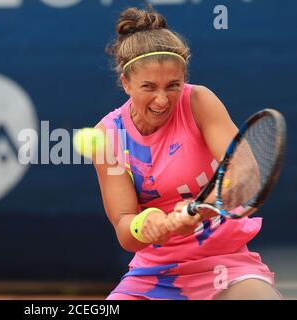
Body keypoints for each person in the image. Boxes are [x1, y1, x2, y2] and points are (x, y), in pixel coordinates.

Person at [93, 6, 282, 300]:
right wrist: (147, 225)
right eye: (149, 87)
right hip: (153, 275)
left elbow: (245, 175)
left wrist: (200, 207)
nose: (162, 99)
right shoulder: (107, 136)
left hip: (225, 264)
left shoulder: (199, 101)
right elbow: (124, 226)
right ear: (126, 83)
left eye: (173, 86)